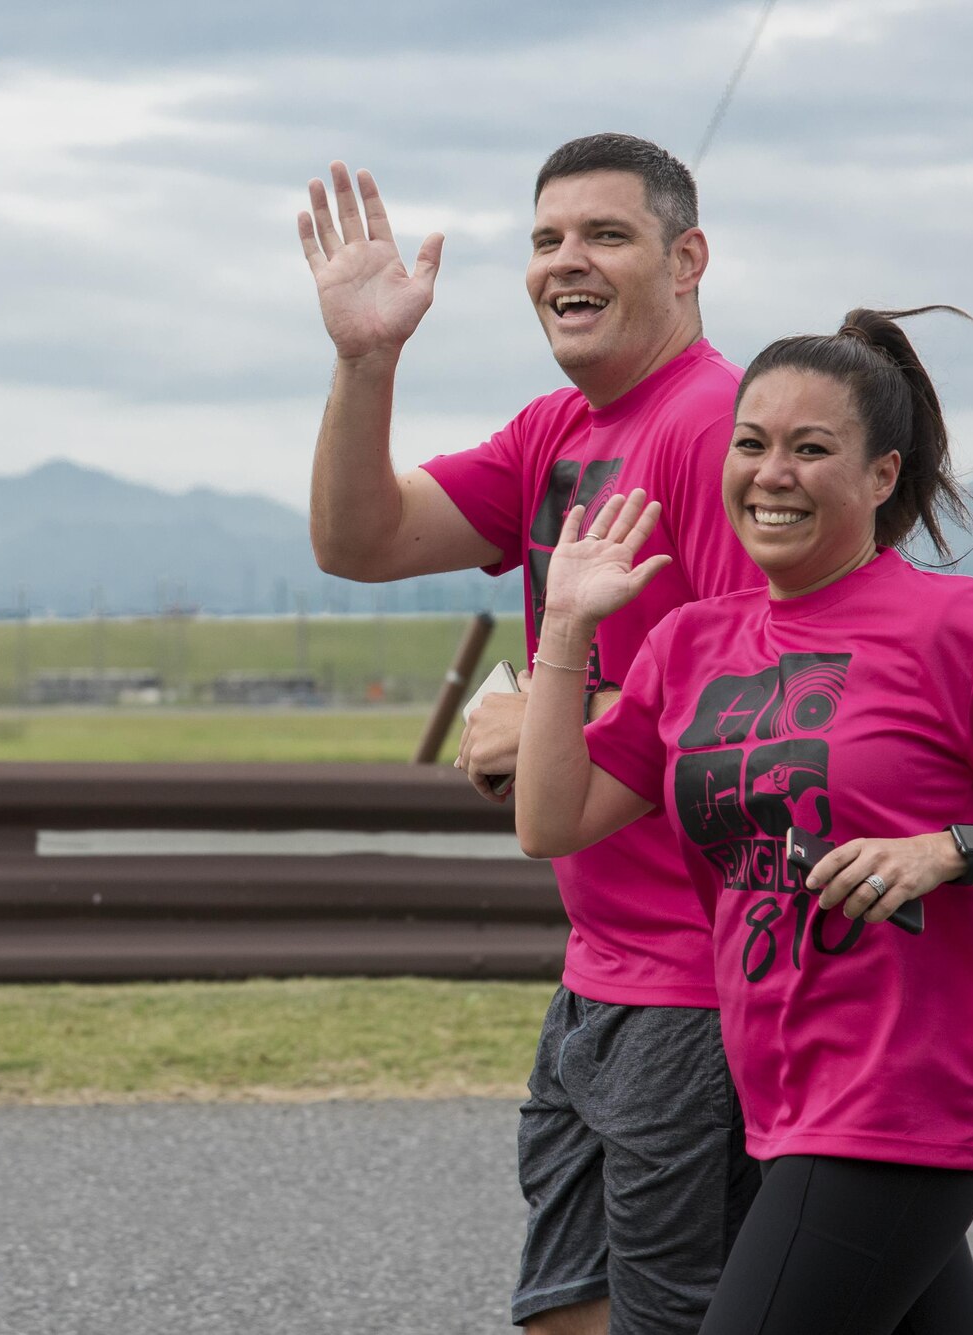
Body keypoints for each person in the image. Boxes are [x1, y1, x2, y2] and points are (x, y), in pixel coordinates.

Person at [513, 308, 973, 1334]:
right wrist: (567, 625)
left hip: (893, 1101)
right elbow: (553, 821)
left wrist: (948, 850)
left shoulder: (958, 628)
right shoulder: (691, 641)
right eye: (751, 444)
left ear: (880, 476)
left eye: (811, 449)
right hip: (772, 1096)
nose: (771, 474)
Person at [296, 134, 764, 1334]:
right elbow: (360, 541)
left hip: (700, 982)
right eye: (547, 239)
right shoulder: (556, 429)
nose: (568, 261)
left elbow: (754, 701)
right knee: (568, 1309)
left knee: (670, 1317)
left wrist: (542, 714)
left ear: (687, 258)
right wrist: (363, 362)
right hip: (599, 965)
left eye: (606, 235)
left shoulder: (711, 427)